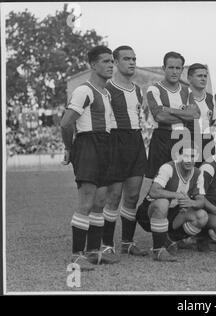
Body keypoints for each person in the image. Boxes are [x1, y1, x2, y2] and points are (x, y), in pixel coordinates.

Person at [61, 46, 119, 271]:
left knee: (100, 201)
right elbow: (66, 123)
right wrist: (69, 148)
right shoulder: (83, 91)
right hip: (88, 145)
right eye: (105, 61)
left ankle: (94, 252)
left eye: (112, 61)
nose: (110, 65)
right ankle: (76, 255)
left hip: (104, 146)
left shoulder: (106, 93)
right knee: (86, 202)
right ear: (93, 65)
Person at [137, 52, 200, 218]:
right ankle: (147, 217)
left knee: (182, 182)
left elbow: (194, 115)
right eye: (170, 67)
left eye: (178, 68)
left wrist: (170, 109)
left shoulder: (187, 91)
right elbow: (160, 116)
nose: (174, 71)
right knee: (161, 183)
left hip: (183, 139)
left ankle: (175, 229)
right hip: (163, 138)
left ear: (182, 70)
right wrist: (183, 112)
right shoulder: (154, 89)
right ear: (163, 68)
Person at [100, 45, 148, 257]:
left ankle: (128, 242)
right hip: (115, 142)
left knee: (133, 195)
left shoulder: (138, 90)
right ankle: (106, 244)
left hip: (136, 141)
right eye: (127, 59)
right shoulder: (107, 88)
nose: (132, 62)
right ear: (116, 62)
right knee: (114, 195)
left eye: (134, 59)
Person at [135, 145, 208, 261]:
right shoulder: (168, 168)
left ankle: (170, 240)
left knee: (202, 216)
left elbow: (201, 201)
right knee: (163, 203)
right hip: (149, 212)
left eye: (193, 156)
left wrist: (191, 203)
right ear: (179, 156)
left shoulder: (198, 173)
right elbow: (154, 191)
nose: (189, 160)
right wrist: (177, 195)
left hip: (173, 213)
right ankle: (158, 250)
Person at [186, 63, 216, 166]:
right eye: (199, 76)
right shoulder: (183, 96)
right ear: (189, 78)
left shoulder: (211, 99)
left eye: (205, 76)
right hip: (187, 141)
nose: (203, 79)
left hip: (207, 141)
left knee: (207, 175)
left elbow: (213, 122)